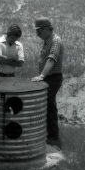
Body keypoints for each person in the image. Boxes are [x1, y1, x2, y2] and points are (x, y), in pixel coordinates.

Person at [31, 17, 64, 149]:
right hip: (48, 78)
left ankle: (53, 137)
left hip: (53, 78)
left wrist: (42, 75)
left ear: (46, 29)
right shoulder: (48, 40)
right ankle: (49, 135)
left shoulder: (55, 41)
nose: (37, 34)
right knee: (48, 106)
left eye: (39, 31)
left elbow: (51, 60)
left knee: (49, 107)